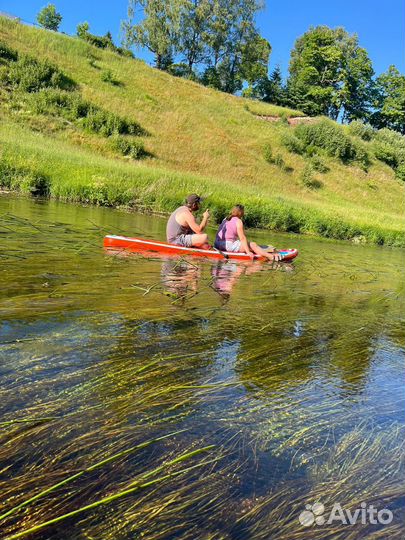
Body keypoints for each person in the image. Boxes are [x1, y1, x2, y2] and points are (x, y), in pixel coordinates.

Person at [214, 204, 284, 261]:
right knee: (252, 245)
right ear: (240, 212)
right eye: (243, 211)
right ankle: (270, 256)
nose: (244, 213)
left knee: (247, 244)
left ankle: (262, 250)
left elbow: (219, 233)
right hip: (227, 246)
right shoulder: (238, 221)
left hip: (217, 244)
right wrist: (248, 252)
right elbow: (242, 238)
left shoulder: (225, 218)